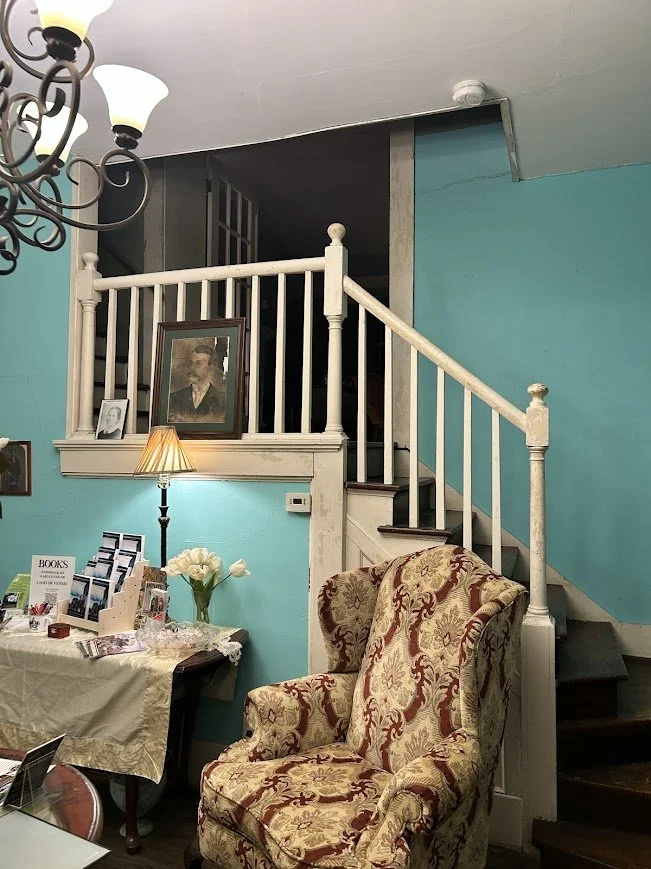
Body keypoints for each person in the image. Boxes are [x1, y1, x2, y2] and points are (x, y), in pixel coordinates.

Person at [168, 344, 226, 423]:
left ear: (211, 368)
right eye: (191, 363)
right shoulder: (173, 398)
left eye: (198, 363)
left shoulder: (223, 400)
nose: (192, 368)